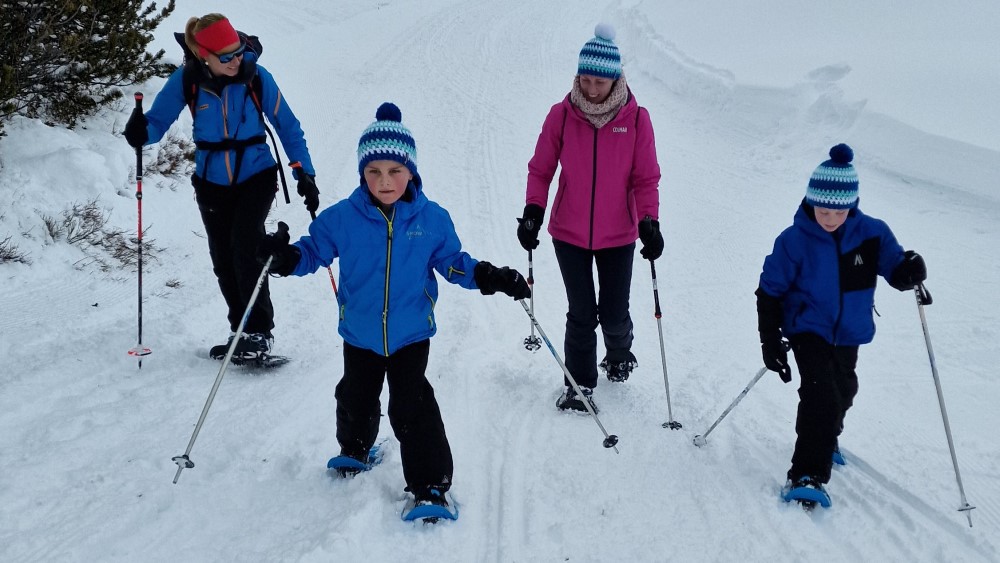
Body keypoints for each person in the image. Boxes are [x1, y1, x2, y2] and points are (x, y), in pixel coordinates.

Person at [256, 102, 530, 508]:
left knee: (411, 407)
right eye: (374, 172)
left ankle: (430, 484)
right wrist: (286, 258)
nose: (384, 181)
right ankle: (357, 448)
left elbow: (455, 265)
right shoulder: (342, 218)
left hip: (410, 334)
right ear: (362, 172)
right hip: (360, 332)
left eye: (394, 172)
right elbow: (314, 251)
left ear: (411, 171)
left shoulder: (431, 219)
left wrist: (491, 277)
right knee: (354, 396)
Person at [123, 13, 319, 361]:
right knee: (223, 258)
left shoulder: (257, 77)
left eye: (238, 52)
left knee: (247, 246)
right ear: (204, 55)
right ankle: (239, 330)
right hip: (211, 180)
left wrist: (303, 171)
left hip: (256, 174)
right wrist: (140, 132)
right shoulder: (187, 80)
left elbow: (287, 125)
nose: (236, 61)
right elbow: (156, 123)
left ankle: (259, 332)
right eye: (226, 56)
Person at [756, 143, 927, 502]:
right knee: (820, 396)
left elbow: (895, 269)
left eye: (838, 211)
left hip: (849, 332)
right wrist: (770, 341)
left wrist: (908, 271)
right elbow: (769, 291)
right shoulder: (794, 241)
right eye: (822, 209)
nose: (829, 219)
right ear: (810, 201)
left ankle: (827, 435)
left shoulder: (872, 234)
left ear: (852, 204)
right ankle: (806, 474)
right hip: (808, 329)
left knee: (843, 390)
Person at [517, 23, 662, 413]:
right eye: (585, 79)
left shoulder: (636, 119)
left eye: (599, 81)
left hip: (619, 234)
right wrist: (534, 209)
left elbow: (645, 177)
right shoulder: (562, 116)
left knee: (614, 315)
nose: (591, 89)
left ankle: (619, 353)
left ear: (615, 78)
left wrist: (650, 221)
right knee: (582, 313)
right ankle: (579, 386)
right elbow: (541, 169)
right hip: (569, 232)